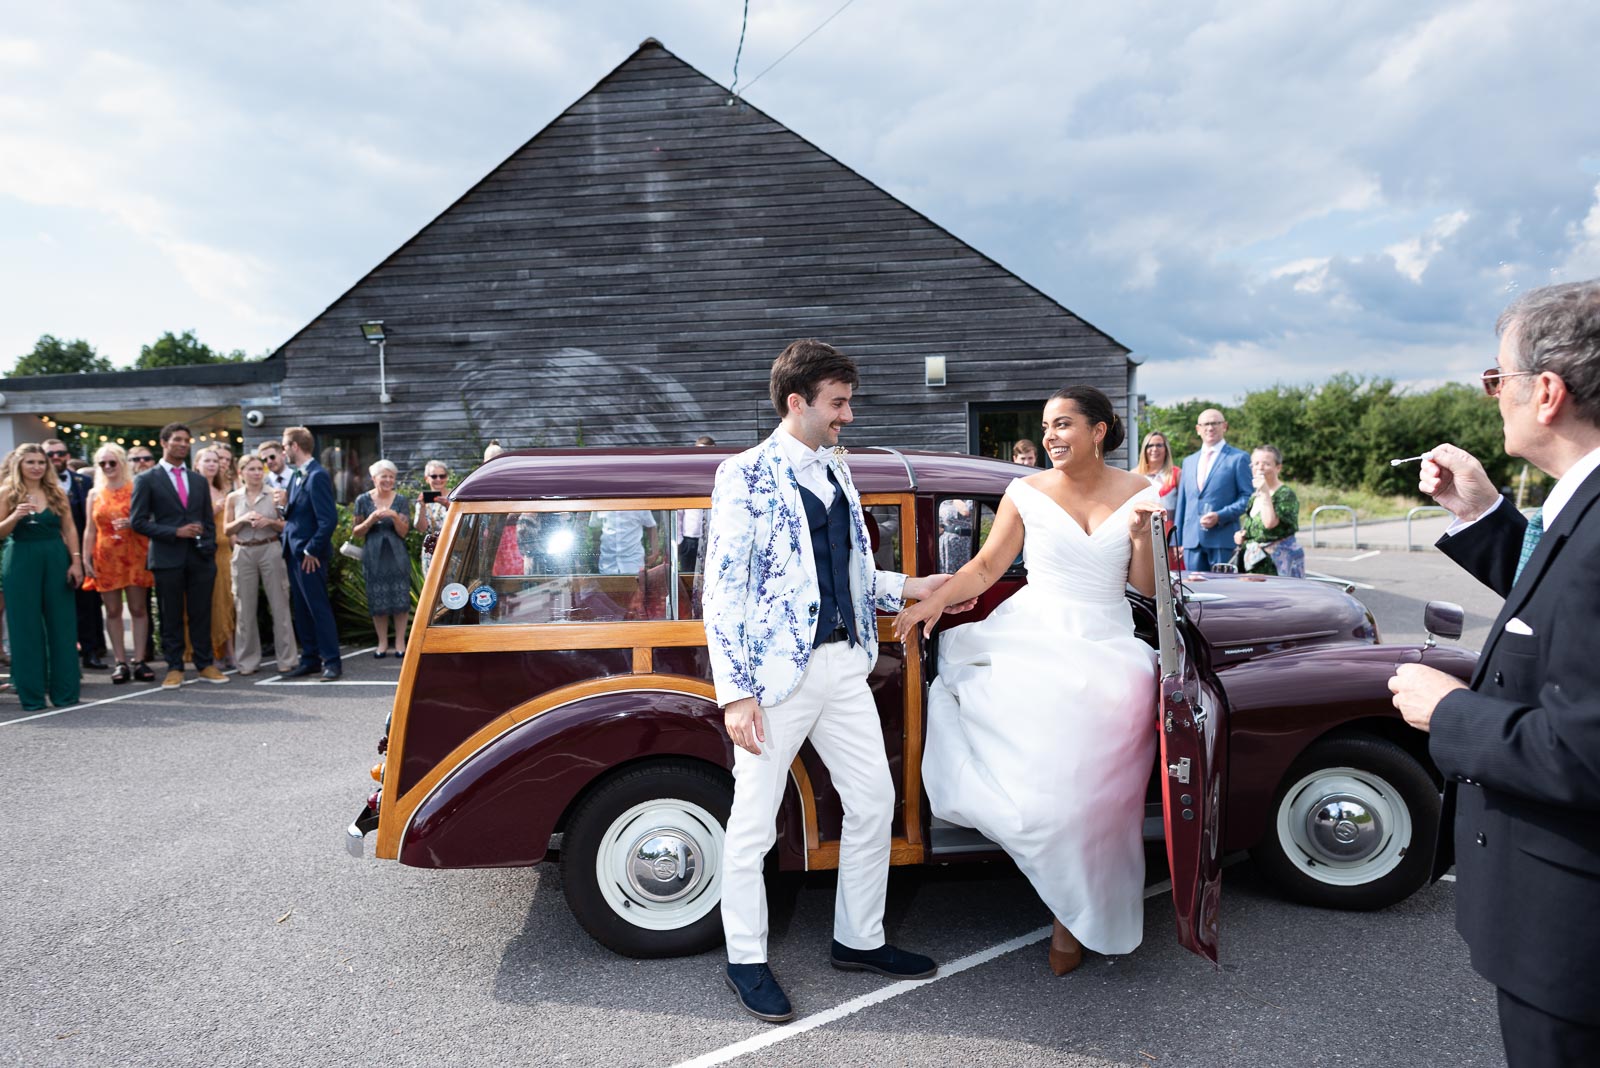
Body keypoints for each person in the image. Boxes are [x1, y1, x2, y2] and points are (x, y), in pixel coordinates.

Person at [703, 339, 948, 1023]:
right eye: (837, 403)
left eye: (847, 402)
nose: (847, 416)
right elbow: (723, 592)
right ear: (797, 402)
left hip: (844, 665)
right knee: (751, 826)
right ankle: (746, 960)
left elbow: (849, 575)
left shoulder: (838, 471)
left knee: (873, 802)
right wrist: (735, 693)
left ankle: (858, 938)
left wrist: (911, 586)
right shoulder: (743, 474)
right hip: (774, 681)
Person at [1388, 280, 1600, 1066]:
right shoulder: (1582, 503)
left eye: (1496, 379)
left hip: (1573, 936)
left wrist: (1449, 713)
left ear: (1546, 393)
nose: (1493, 398)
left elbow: (1584, 751)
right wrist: (1481, 516)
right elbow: (1561, 605)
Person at [898, 385, 1163, 977]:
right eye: (1046, 426)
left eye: (1064, 424)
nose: (1051, 437)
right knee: (1051, 801)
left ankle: (1073, 920)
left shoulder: (1142, 491)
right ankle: (1064, 902)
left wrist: (1143, 536)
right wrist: (930, 602)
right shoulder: (1025, 490)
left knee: (1101, 803)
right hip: (1035, 639)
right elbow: (987, 566)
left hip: (1109, 645)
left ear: (1098, 431)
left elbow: (1145, 587)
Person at [131, 423, 228, 689]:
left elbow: (208, 520)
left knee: (201, 613)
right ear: (164, 443)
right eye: (177, 440)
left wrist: (207, 548)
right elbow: (137, 522)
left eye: (186, 440)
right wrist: (176, 532)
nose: (183, 444)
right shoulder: (147, 479)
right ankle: (174, 668)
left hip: (200, 558)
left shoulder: (197, 480)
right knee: (170, 614)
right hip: (166, 557)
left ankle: (205, 663)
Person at [0, 443, 83, 710]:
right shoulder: (7, 492)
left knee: (62, 626)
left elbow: (69, 528)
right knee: (25, 628)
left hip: (56, 558)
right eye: (30, 462)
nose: (36, 467)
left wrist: (76, 562)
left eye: (40, 462)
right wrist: (15, 515)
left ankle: (65, 693)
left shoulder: (56, 492)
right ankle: (32, 696)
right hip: (21, 559)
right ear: (19, 465)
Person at [81, 444, 155, 684]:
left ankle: (140, 660)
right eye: (103, 463)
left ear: (122, 463)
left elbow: (150, 519)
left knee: (138, 608)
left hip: (134, 553)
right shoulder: (94, 493)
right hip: (106, 556)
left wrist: (134, 523)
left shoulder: (135, 488)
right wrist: (84, 559)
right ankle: (120, 662)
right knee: (112, 610)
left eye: (112, 462)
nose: (108, 467)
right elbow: (89, 530)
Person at [225, 455, 297, 676]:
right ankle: (247, 661)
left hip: (270, 547)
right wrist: (243, 520)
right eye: (252, 469)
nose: (257, 473)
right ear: (241, 472)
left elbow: (287, 525)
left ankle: (287, 659)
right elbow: (226, 530)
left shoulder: (274, 494)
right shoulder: (233, 498)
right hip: (244, 549)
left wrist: (270, 522)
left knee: (280, 605)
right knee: (244, 608)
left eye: (260, 469)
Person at [279, 426, 341, 681]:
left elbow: (328, 519)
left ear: (295, 446)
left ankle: (332, 661)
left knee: (317, 608)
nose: (283, 452)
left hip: (309, 556)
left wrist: (311, 549)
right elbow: (300, 515)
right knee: (302, 609)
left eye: (284, 447)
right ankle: (310, 659)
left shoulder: (317, 475)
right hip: (294, 552)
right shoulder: (296, 476)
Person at [45, 438, 107, 670]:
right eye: (50, 455)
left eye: (60, 453)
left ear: (67, 455)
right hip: (50, 551)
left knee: (89, 603)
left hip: (84, 549)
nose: (56, 458)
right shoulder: (38, 486)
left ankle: (92, 651)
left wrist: (85, 555)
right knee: (58, 604)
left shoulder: (84, 482)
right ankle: (63, 654)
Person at [1172, 408, 1252, 571]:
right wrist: (1178, 540)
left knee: (1225, 591)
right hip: (1191, 542)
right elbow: (1183, 503)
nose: (1210, 428)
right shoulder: (1188, 461)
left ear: (1225, 426)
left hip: (1222, 540)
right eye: (1206, 424)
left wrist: (1220, 516)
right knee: (1192, 592)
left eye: (1216, 423)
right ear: (1198, 429)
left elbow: (1248, 498)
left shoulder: (1238, 458)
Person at [352, 459, 412, 658]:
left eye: (391, 476)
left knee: (400, 599)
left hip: (397, 556)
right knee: (378, 601)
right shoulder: (363, 500)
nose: (387, 480)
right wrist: (371, 519)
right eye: (383, 476)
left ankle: (400, 642)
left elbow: (404, 532)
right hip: (373, 556)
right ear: (374, 478)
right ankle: (382, 642)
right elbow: (357, 532)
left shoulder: (401, 500)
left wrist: (394, 516)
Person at [1232, 445, 1305, 577]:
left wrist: (1265, 492)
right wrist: (1243, 535)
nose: (1260, 467)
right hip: (1254, 565)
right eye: (1256, 463)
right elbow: (1256, 528)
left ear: (1278, 467)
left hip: (1277, 566)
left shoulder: (1285, 494)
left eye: (1266, 464)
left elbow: (1269, 524)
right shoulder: (1255, 495)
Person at [194, 446, 237, 669]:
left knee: (227, 603)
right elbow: (193, 521)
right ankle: (211, 653)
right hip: (203, 553)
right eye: (208, 460)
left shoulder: (223, 490)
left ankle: (230, 651)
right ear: (197, 465)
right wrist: (214, 509)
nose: (213, 464)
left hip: (225, 553)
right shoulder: (193, 490)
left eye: (215, 461)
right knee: (208, 605)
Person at [674, 436, 716, 571]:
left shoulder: (720, 475)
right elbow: (678, 510)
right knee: (688, 577)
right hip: (690, 539)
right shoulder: (686, 477)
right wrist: (679, 540)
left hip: (714, 536)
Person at [589, 509, 659, 574]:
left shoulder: (638, 501)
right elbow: (595, 528)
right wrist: (596, 552)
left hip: (633, 563)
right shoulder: (601, 500)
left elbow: (651, 526)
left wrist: (655, 552)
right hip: (607, 563)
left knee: (634, 587)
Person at [416, 460, 450, 575]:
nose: (438, 479)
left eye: (442, 476)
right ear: (427, 478)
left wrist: (448, 505)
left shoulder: (455, 497)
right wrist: (422, 507)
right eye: (434, 476)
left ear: (447, 477)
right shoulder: (423, 500)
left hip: (452, 547)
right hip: (431, 549)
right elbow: (421, 528)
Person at [1135, 431, 1180, 506]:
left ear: (1166, 449)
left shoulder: (1177, 474)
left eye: (1159, 445)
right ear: (1144, 449)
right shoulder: (1135, 475)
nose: (1155, 449)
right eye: (1150, 445)